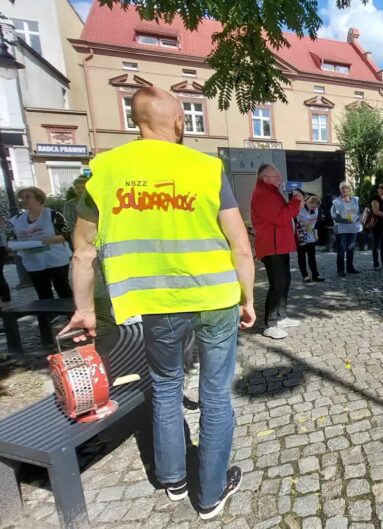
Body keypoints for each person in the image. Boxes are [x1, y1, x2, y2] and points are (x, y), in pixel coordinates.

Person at [61, 87, 256, 520]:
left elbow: (82, 252)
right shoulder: (206, 167)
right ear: (180, 123)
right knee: (214, 394)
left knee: (166, 386)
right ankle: (209, 495)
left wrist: (86, 310)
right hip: (215, 299)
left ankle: (172, 480)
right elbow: (240, 244)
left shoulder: (106, 170)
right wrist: (247, 297)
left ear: (136, 121)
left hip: (156, 303)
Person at [252, 163, 304, 339]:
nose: (280, 179)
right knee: (277, 284)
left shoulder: (271, 192)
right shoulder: (263, 195)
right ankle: (270, 323)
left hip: (278, 245)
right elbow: (280, 217)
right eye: (277, 176)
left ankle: (281, 317)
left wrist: (295, 205)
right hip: (271, 246)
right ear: (266, 178)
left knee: (285, 281)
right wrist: (296, 202)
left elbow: (284, 214)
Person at [9, 187, 73, 300]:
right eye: (21, 198)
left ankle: (71, 315)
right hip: (32, 261)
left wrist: (45, 241)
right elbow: (14, 238)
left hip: (55, 259)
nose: (24, 200)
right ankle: (48, 317)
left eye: (28, 197)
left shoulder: (53, 215)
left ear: (39, 199)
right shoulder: (17, 219)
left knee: (62, 289)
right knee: (43, 293)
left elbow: (66, 235)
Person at [331, 181, 362, 276]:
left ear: (349, 189)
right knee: (341, 250)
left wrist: (358, 217)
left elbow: (358, 212)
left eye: (346, 188)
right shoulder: (336, 202)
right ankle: (340, 270)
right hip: (342, 229)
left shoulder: (355, 200)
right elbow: (334, 216)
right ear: (340, 190)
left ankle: (350, 268)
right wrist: (345, 220)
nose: (344, 190)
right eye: (342, 188)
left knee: (351, 249)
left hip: (353, 229)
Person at [296, 195, 324, 282]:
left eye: (316, 207)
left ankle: (315, 275)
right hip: (301, 235)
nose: (314, 208)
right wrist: (303, 224)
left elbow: (316, 223)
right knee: (302, 256)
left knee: (312, 256)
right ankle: (305, 275)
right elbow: (294, 221)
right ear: (309, 203)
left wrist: (316, 233)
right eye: (313, 206)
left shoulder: (315, 209)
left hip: (311, 235)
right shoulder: (300, 208)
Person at [63, 176, 87, 243]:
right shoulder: (70, 204)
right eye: (78, 188)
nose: (80, 190)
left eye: (83, 188)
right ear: (74, 190)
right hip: (79, 237)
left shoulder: (95, 202)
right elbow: (69, 222)